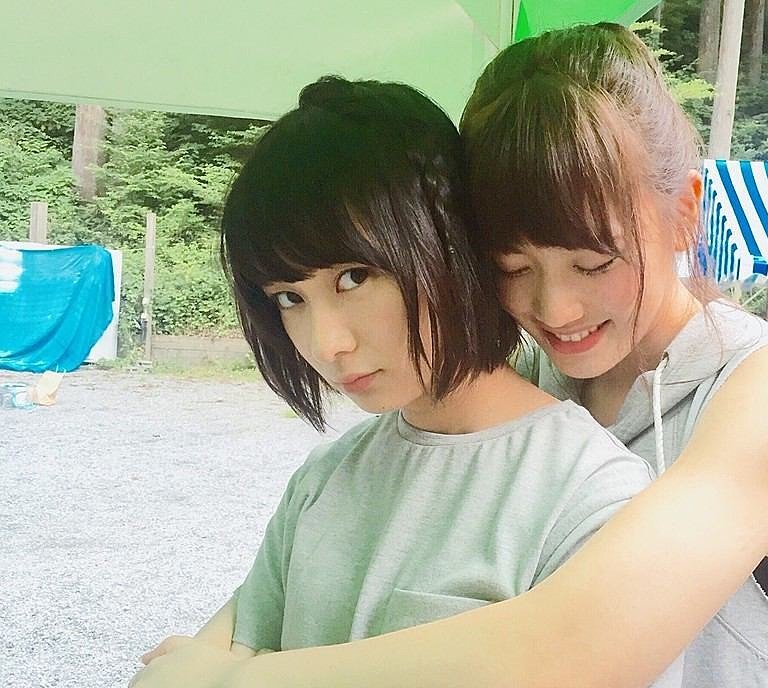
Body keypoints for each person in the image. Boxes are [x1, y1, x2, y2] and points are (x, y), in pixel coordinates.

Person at [129, 24, 768, 688]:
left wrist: (230, 678)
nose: (556, 310)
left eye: (594, 263)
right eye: (512, 266)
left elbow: (576, 646)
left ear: (684, 211)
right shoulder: (514, 387)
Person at [131, 77, 655, 685]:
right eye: (289, 297)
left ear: (450, 241)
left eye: (354, 278)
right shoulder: (327, 477)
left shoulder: (589, 492)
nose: (326, 343)